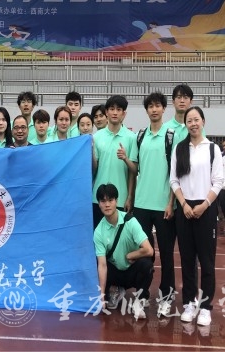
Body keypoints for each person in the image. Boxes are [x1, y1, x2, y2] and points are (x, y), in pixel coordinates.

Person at [170, 106, 223, 327]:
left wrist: (204, 205)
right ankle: (189, 303)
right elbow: (174, 180)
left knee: (207, 261)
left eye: (196, 120)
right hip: (185, 209)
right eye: (189, 121)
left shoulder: (212, 149)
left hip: (206, 208)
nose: (193, 124)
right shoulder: (179, 149)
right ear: (185, 124)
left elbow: (218, 181)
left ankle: (206, 307)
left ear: (203, 121)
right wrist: (183, 204)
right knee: (187, 259)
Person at [133, 92, 177, 317]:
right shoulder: (140, 136)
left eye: (158, 105)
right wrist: (125, 159)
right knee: (144, 254)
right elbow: (136, 168)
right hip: (141, 204)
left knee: (167, 254)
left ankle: (166, 296)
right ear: (146, 110)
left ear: (164, 109)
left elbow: (175, 173)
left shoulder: (171, 136)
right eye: (150, 106)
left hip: (163, 206)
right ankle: (141, 295)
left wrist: (171, 202)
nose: (154, 109)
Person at [94, 184, 154, 319]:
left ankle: (139, 300)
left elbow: (149, 250)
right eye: (103, 201)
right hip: (115, 271)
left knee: (147, 265)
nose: (107, 205)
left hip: (132, 270)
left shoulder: (130, 221)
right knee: (97, 262)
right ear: (99, 204)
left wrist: (132, 255)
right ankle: (114, 290)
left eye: (110, 200)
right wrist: (101, 296)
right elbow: (102, 265)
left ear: (116, 201)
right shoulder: (98, 232)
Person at [92, 95, 138, 229]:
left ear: (124, 114)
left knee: (120, 238)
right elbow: (93, 169)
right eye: (112, 109)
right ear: (106, 112)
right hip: (98, 199)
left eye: (119, 109)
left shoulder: (131, 137)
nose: (115, 112)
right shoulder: (96, 137)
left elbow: (134, 171)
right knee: (98, 237)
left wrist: (130, 197)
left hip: (121, 199)